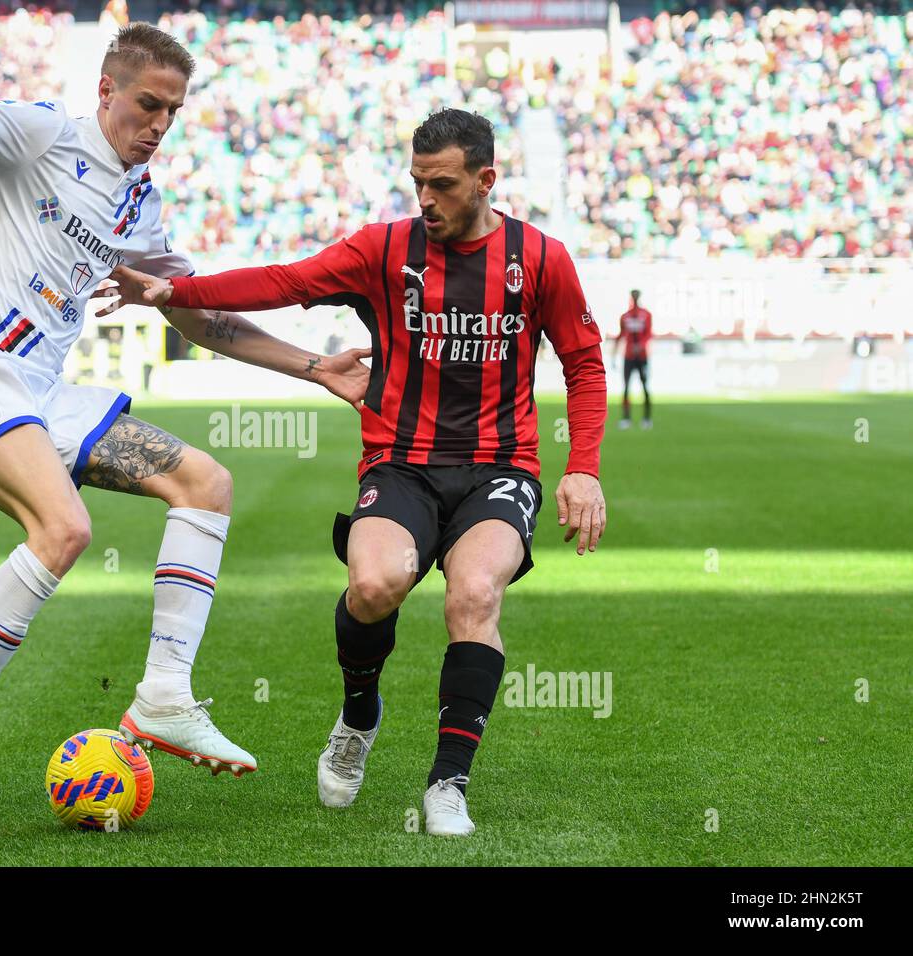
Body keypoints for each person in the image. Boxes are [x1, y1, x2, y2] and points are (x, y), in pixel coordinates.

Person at [0, 22, 370, 812]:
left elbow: (201, 317)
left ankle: (163, 697)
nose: (158, 125)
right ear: (107, 90)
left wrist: (316, 368)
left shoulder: (138, 206)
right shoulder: (46, 134)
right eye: (148, 104)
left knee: (206, 483)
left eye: (173, 113)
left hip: (40, 395)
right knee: (65, 528)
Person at [98, 109, 608, 836]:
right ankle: (359, 713)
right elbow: (285, 279)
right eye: (417, 183)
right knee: (373, 586)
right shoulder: (385, 250)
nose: (425, 199)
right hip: (400, 461)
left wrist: (581, 468)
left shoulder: (542, 259)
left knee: (473, 594)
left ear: (486, 180)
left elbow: (585, 365)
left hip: (501, 467)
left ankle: (447, 785)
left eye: (442, 184)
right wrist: (177, 291)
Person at [614, 289, 652, 429]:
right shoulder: (625, 316)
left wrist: (641, 346)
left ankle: (647, 418)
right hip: (629, 357)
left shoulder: (646, 315)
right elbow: (621, 334)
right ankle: (626, 418)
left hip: (642, 357)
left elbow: (648, 334)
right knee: (626, 388)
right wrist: (614, 350)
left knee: (645, 387)